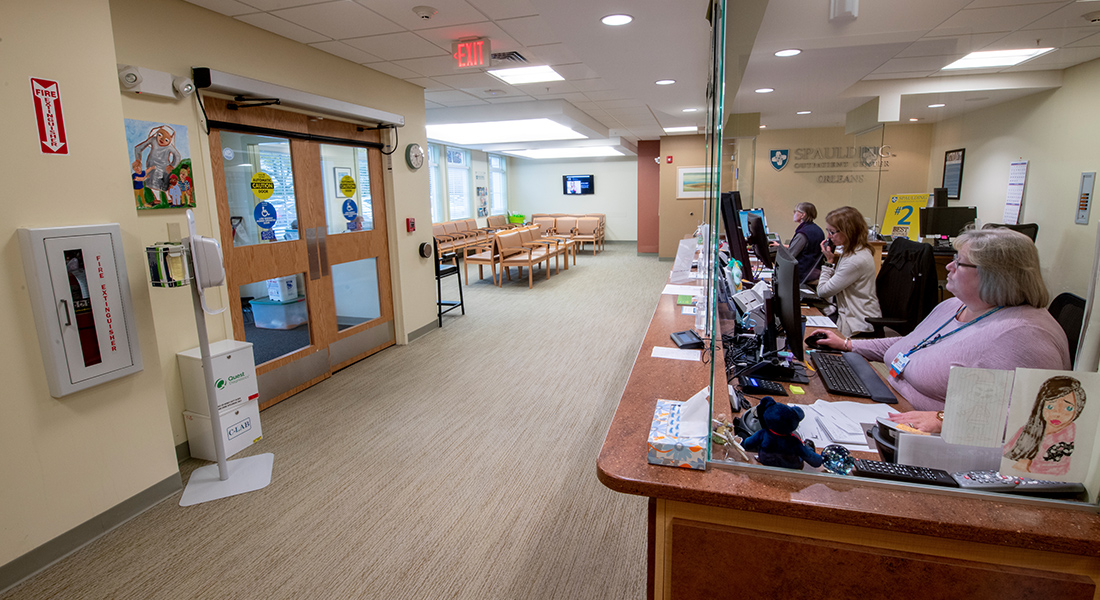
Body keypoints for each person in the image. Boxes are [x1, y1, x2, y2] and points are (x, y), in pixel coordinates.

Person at [813, 228, 1071, 432]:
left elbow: (1040, 419)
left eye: (959, 263)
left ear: (993, 275)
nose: (949, 266)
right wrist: (848, 344)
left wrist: (942, 419)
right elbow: (913, 343)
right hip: (888, 406)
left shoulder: (1024, 334)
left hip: (932, 444)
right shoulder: (955, 305)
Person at [815, 206, 881, 338]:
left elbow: (823, 291)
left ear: (848, 231)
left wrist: (828, 262)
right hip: (846, 313)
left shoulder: (856, 260)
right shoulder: (851, 251)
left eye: (832, 232)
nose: (829, 236)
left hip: (857, 324)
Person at [1004, 376, 1085, 476]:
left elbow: (1065, 469)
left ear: (1078, 409)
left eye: (1068, 408)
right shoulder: (1027, 429)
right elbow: (1006, 454)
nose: (1057, 413)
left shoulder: (1072, 435)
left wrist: (1029, 466)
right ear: (1041, 405)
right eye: (1050, 406)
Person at [772, 201, 825, 283]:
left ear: (802, 215)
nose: (793, 214)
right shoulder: (817, 229)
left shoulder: (803, 233)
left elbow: (790, 256)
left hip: (802, 273)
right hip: (812, 271)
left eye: (795, 211)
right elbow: (806, 249)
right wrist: (780, 245)